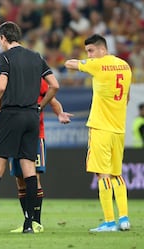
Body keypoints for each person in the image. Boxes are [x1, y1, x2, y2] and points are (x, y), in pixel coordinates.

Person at [0, 21, 59, 234]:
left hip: (11, 115)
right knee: (29, 168)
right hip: (31, 116)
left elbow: (1, 86)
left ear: (2, 38)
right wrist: (39, 106)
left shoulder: (6, 57)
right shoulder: (36, 57)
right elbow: (54, 85)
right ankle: (29, 223)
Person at [64, 34, 132, 232]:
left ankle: (110, 222)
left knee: (102, 175)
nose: (90, 55)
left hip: (101, 128)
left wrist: (85, 61)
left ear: (103, 49)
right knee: (117, 174)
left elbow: (69, 64)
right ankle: (124, 218)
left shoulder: (98, 65)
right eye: (88, 52)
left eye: (91, 51)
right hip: (119, 129)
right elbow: (126, 98)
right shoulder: (125, 66)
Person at [9, 79, 73, 234]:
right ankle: (27, 220)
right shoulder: (10, 77)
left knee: (34, 176)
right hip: (14, 135)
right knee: (19, 179)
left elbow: (52, 99)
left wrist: (59, 113)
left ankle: (36, 221)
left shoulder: (37, 79)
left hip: (35, 135)